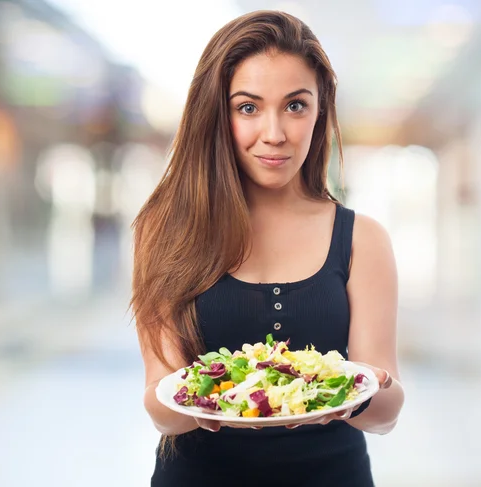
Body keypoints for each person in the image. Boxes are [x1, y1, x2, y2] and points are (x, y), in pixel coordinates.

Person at [132, 10, 405, 487]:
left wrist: (365, 391)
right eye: (248, 107)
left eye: (296, 106)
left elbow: (385, 413)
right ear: (217, 113)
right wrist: (199, 400)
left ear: (320, 111)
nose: (274, 133)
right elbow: (161, 405)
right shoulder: (165, 229)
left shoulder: (362, 238)